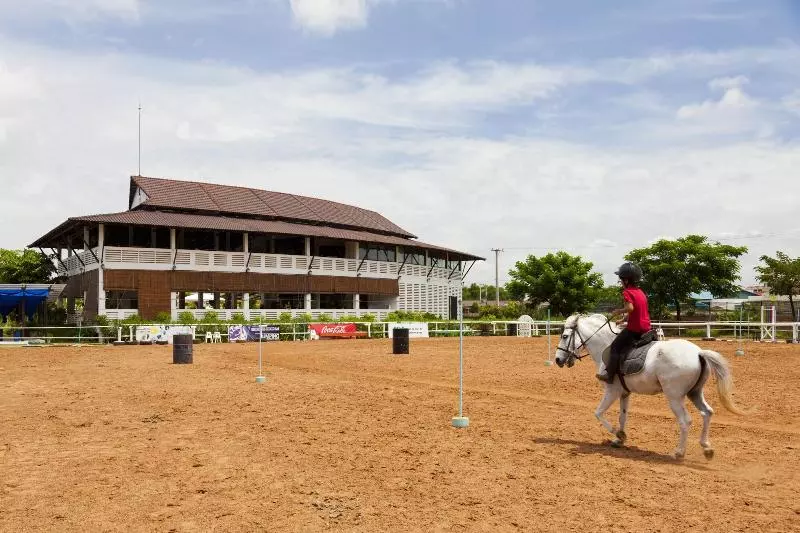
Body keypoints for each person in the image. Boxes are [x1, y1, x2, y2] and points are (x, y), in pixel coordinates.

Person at [597, 262, 652, 384]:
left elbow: (631, 308)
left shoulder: (627, 292)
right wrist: (623, 319)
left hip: (635, 329)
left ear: (626, 280)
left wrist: (618, 311)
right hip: (647, 327)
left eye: (621, 279)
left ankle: (609, 376)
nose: (620, 282)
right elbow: (636, 311)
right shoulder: (640, 292)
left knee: (615, 347)